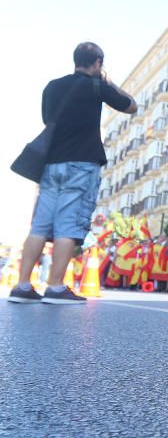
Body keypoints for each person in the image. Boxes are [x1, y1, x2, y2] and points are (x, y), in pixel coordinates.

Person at [9, 42, 136, 304]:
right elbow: (131, 105)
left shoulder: (53, 86)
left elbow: (47, 119)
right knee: (69, 224)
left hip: (51, 163)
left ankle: (22, 286)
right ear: (98, 63)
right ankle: (55, 287)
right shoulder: (97, 85)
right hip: (82, 163)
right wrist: (107, 81)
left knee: (40, 225)